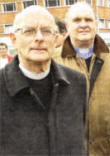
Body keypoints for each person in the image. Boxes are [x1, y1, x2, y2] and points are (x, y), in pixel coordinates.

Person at [0, 5, 87, 155]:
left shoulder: (76, 82)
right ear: (14, 39)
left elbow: (80, 140)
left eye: (46, 31)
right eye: (29, 31)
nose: (39, 38)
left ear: (56, 39)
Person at [53, 2, 110, 156]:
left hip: (109, 149)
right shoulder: (52, 61)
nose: (83, 24)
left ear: (96, 24)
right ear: (67, 25)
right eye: (77, 20)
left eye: (88, 20)